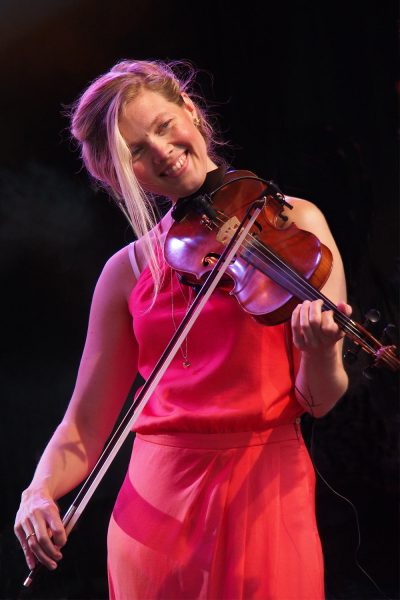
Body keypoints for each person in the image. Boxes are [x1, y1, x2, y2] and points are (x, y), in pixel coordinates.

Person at [14, 59, 350, 599]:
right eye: (137, 153)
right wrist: (38, 491)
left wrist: (321, 352)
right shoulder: (127, 272)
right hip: (156, 514)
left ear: (190, 111)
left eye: (164, 126)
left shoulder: (295, 225)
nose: (162, 152)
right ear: (121, 177)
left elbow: (319, 399)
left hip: (268, 489)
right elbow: (83, 425)